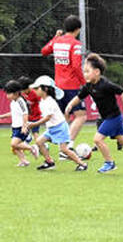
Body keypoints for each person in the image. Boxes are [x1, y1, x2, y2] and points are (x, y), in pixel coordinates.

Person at [65, 53, 123, 173]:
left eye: (87, 71)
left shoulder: (105, 84)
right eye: (84, 71)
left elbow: (121, 92)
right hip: (108, 117)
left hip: (114, 117)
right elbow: (79, 97)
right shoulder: (89, 86)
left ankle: (109, 163)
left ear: (97, 72)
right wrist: (70, 105)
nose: (85, 74)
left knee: (97, 139)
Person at [41, 15, 87, 158]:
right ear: (78, 29)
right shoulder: (75, 44)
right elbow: (76, 66)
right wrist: (84, 83)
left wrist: (55, 38)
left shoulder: (57, 42)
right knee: (81, 116)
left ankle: (44, 142)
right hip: (71, 85)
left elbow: (44, 51)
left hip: (58, 85)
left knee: (62, 118)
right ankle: (67, 147)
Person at [27, 76, 88, 171]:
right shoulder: (43, 101)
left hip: (60, 128)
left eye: (37, 88)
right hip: (52, 129)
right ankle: (49, 162)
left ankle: (82, 164)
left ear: (45, 89)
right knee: (39, 142)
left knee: (64, 149)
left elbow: (47, 118)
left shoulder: (49, 102)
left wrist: (34, 124)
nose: (35, 91)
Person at [0, 80, 39, 166]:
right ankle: (23, 161)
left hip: (21, 127)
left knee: (14, 144)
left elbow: (25, 114)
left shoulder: (20, 101)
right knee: (15, 146)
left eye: (9, 93)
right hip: (15, 127)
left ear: (16, 93)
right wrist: (2, 116)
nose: (7, 96)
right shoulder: (13, 102)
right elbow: (13, 113)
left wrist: (24, 126)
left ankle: (32, 148)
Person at [17, 76, 42, 144]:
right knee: (23, 130)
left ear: (27, 87)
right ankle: (28, 138)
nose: (22, 92)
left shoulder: (35, 93)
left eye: (23, 90)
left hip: (36, 116)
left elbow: (42, 102)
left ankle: (43, 146)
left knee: (35, 132)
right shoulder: (22, 94)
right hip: (28, 116)